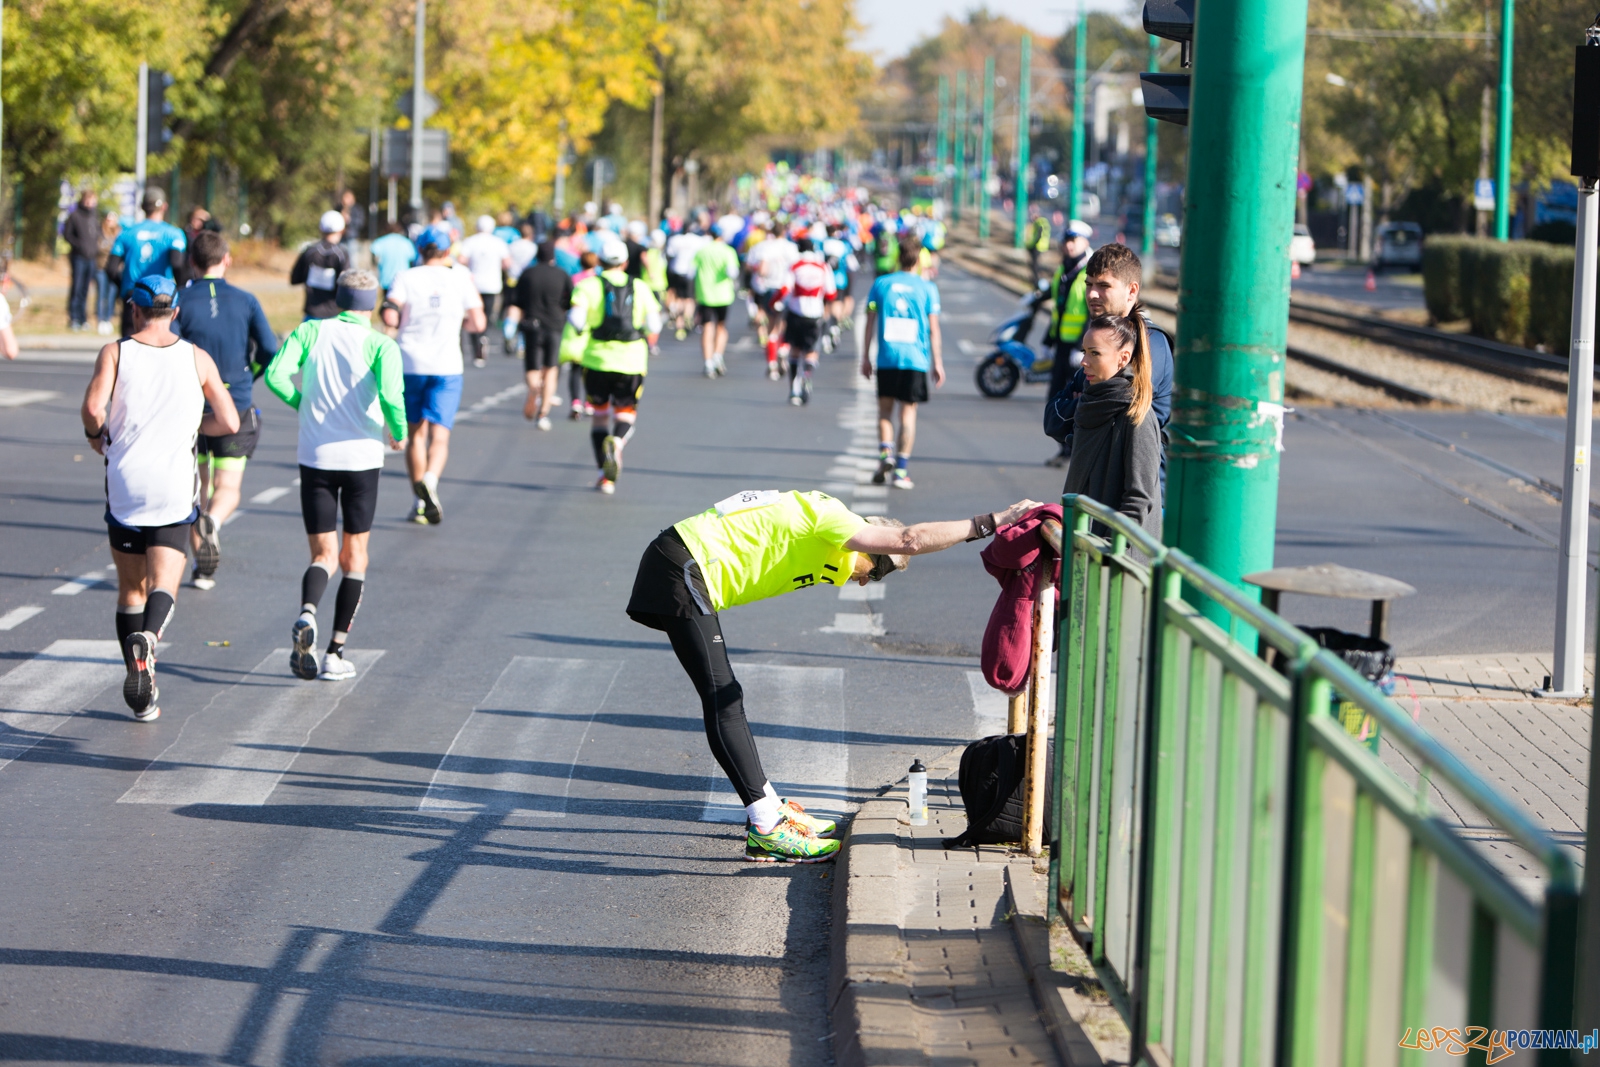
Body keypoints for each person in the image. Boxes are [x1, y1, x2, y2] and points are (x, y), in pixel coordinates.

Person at [626, 490, 1042, 862]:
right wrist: (993, 521)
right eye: (874, 573)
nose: (863, 583)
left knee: (726, 696)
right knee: (724, 699)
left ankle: (770, 806)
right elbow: (909, 540)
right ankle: (766, 827)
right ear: (869, 547)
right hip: (682, 567)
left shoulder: (827, 530)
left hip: (682, 562)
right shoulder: (834, 520)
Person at [79, 276, 240, 722]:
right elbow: (228, 421)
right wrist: (195, 428)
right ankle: (149, 640)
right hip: (173, 486)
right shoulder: (197, 357)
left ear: (134, 310)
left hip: (126, 484)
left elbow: (93, 408)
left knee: (131, 589)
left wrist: (96, 435)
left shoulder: (115, 352)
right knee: (164, 583)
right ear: (175, 312)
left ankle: (142, 693)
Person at [266, 270, 407, 681]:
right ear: (372, 303)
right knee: (355, 556)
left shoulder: (310, 331)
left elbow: (275, 375)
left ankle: (308, 612)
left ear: (340, 299)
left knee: (323, 555)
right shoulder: (382, 344)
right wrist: (398, 431)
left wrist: (303, 404)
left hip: (316, 456)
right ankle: (334, 653)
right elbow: (391, 395)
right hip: (362, 457)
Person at [173, 230, 279, 591]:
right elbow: (269, 350)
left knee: (198, 490)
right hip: (236, 405)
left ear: (192, 262)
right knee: (228, 486)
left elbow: (171, 346)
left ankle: (202, 570)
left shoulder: (181, 300)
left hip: (194, 408)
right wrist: (251, 375)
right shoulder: (246, 300)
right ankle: (215, 523)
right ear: (227, 260)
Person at [382, 228, 485, 524]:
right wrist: (461, 322)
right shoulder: (461, 277)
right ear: (447, 251)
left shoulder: (406, 277)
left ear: (420, 250)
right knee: (440, 435)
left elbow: (390, 314)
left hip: (410, 363)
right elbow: (478, 322)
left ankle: (418, 502)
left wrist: (396, 320)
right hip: (447, 365)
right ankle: (430, 480)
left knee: (416, 434)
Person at [1044, 243, 1173, 473]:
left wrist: (1080, 404)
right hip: (1094, 482)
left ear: (1131, 291)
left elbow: (1117, 405)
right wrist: (1087, 404)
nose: (1092, 294)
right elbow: (1053, 419)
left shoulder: (1150, 343)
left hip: (1136, 487)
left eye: (1104, 286)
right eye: (1089, 284)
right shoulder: (1098, 341)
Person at [571, 237, 662, 494]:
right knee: (625, 414)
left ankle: (604, 476)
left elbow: (576, 321)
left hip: (596, 359)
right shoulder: (640, 286)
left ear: (599, 261)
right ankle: (618, 442)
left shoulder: (588, 285)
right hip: (632, 360)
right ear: (625, 262)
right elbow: (654, 325)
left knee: (599, 417)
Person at [1060, 314, 1161, 540]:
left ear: (1123, 358)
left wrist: (1107, 549)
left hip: (1113, 554)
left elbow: (1139, 498)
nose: (1084, 361)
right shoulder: (1091, 404)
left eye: (1095, 353)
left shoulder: (1135, 415)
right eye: (1084, 351)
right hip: (1081, 542)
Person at [861, 241, 943, 490]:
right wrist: (937, 363)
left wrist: (865, 357)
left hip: (887, 358)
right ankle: (901, 471)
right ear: (918, 260)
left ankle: (885, 454)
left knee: (885, 412)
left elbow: (869, 321)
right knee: (907, 414)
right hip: (915, 360)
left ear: (898, 257)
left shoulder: (881, 284)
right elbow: (933, 329)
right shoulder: (927, 288)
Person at [505, 240, 573, 429]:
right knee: (551, 369)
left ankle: (534, 389)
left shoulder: (528, 274)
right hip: (555, 326)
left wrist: (511, 326)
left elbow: (516, 302)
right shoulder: (562, 274)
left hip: (532, 325)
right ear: (553, 256)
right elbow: (570, 300)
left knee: (532, 367)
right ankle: (543, 412)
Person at [1043, 221, 1093, 467]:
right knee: (1056, 398)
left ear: (1085, 242)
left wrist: (1081, 348)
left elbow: (1091, 313)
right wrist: (1048, 340)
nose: (1069, 245)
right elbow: (1060, 309)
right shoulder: (1064, 268)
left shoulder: (1088, 272)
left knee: (1077, 399)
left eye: (1074, 240)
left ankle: (1075, 452)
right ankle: (1065, 448)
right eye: (1066, 240)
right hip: (1062, 345)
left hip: (1080, 348)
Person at [107, 189, 188, 337]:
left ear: (142, 207)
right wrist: (180, 290)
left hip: (134, 294)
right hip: (163, 296)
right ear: (164, 206)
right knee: (161, 342)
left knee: (130, 343)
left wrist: (123, 288)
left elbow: (111, 269)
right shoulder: (174, 234)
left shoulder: (126, 233)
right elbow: (177, 264)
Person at [781, 237, 835, 406]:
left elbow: (785, 288)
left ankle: (794, 387)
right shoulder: (823, 266)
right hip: (815, 313)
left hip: (796, 311)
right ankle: (807, 375)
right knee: (811, 350)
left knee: (795, 350)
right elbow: (831, 293)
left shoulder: (795, 265)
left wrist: (775, 304)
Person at [457, 215, 512, 367]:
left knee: (472, 315)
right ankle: (482, 339)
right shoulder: (498, 242)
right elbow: (507, 263)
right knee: (486, 316)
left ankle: (476, 344)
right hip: (491, 285)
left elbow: (461, 260)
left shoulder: (470, 241)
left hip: (473, 284)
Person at [691, 225, 740, 379]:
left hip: (705, 294)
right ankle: (718, 355)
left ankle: (708, 362)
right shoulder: (728, 251)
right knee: (721, 326)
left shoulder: (702, 251)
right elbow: (732, 272)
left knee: (707, 327)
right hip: (723, 295)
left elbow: (690, 272)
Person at [290, 211, 352, 321]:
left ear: (321, 229)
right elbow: (347, 284)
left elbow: (295, 278)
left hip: (311, 315)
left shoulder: (309, 251)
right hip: (334, 315)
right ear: (341, 230)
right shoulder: (341, 254)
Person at [63, 190, 101, 332]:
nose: (90, 203)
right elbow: (67, 235)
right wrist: (79, 246)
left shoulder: (94, 216)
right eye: (88, 200)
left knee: (86, 289)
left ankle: (83, 318)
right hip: (78, 257)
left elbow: (97, 234)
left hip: (91, 258)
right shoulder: (75, 216)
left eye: (92, 200)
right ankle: (74, 317)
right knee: (77, 287)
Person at [665, 224, 705, 339]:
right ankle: (688, 318)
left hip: (676, 271)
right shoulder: (699, 240)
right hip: (691, 272)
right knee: (689, 298)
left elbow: (669, 255)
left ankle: (679, 324)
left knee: (679, 298)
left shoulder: (675, 239)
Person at [369, 222, 417, 295]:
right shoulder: (406, 242)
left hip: (386, 279)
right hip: (402, 278)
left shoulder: (380, 241)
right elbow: (412, 259)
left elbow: (374, 259)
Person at [95, 210, 121, 335]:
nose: (110, 222)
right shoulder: (100, 232)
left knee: (112, 294)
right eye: (108, 219)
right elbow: (99, 248)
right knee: (101, 294)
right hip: (101, 268)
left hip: (114, 269)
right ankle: (100, 319)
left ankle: (108, 319)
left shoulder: (120, 233)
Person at [1024, 210, 1053, 282]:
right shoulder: (1045, 222)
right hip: (1043, 246)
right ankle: (1037, 278)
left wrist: (1033, 244)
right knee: (1036, 263)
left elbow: (1038, 235)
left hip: (1038, 246)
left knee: (1035, 264)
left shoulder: (1039, 223)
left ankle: (1036, 279)